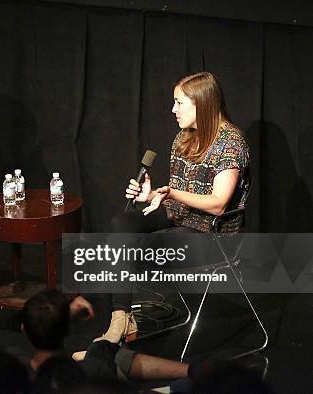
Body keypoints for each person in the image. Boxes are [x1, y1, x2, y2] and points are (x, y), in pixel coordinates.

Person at [94, 71, 250, 348]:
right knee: (120, 226)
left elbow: (218, 204)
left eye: (179, 103)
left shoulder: (231, 142)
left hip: (213, 234)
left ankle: (114, 337)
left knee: (132, 249)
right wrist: (152, 194)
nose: (173, 109)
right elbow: (177, 195)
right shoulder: (184, 137)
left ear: (200, 104)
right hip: (179, 216)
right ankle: (120, 318)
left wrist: (171, 192)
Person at [22, 290, 191, 387]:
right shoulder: (93, 366)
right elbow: (106, 355)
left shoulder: (18, 375)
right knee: (104, 350)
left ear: (24, 329)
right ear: (69, 327)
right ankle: (191, 370)